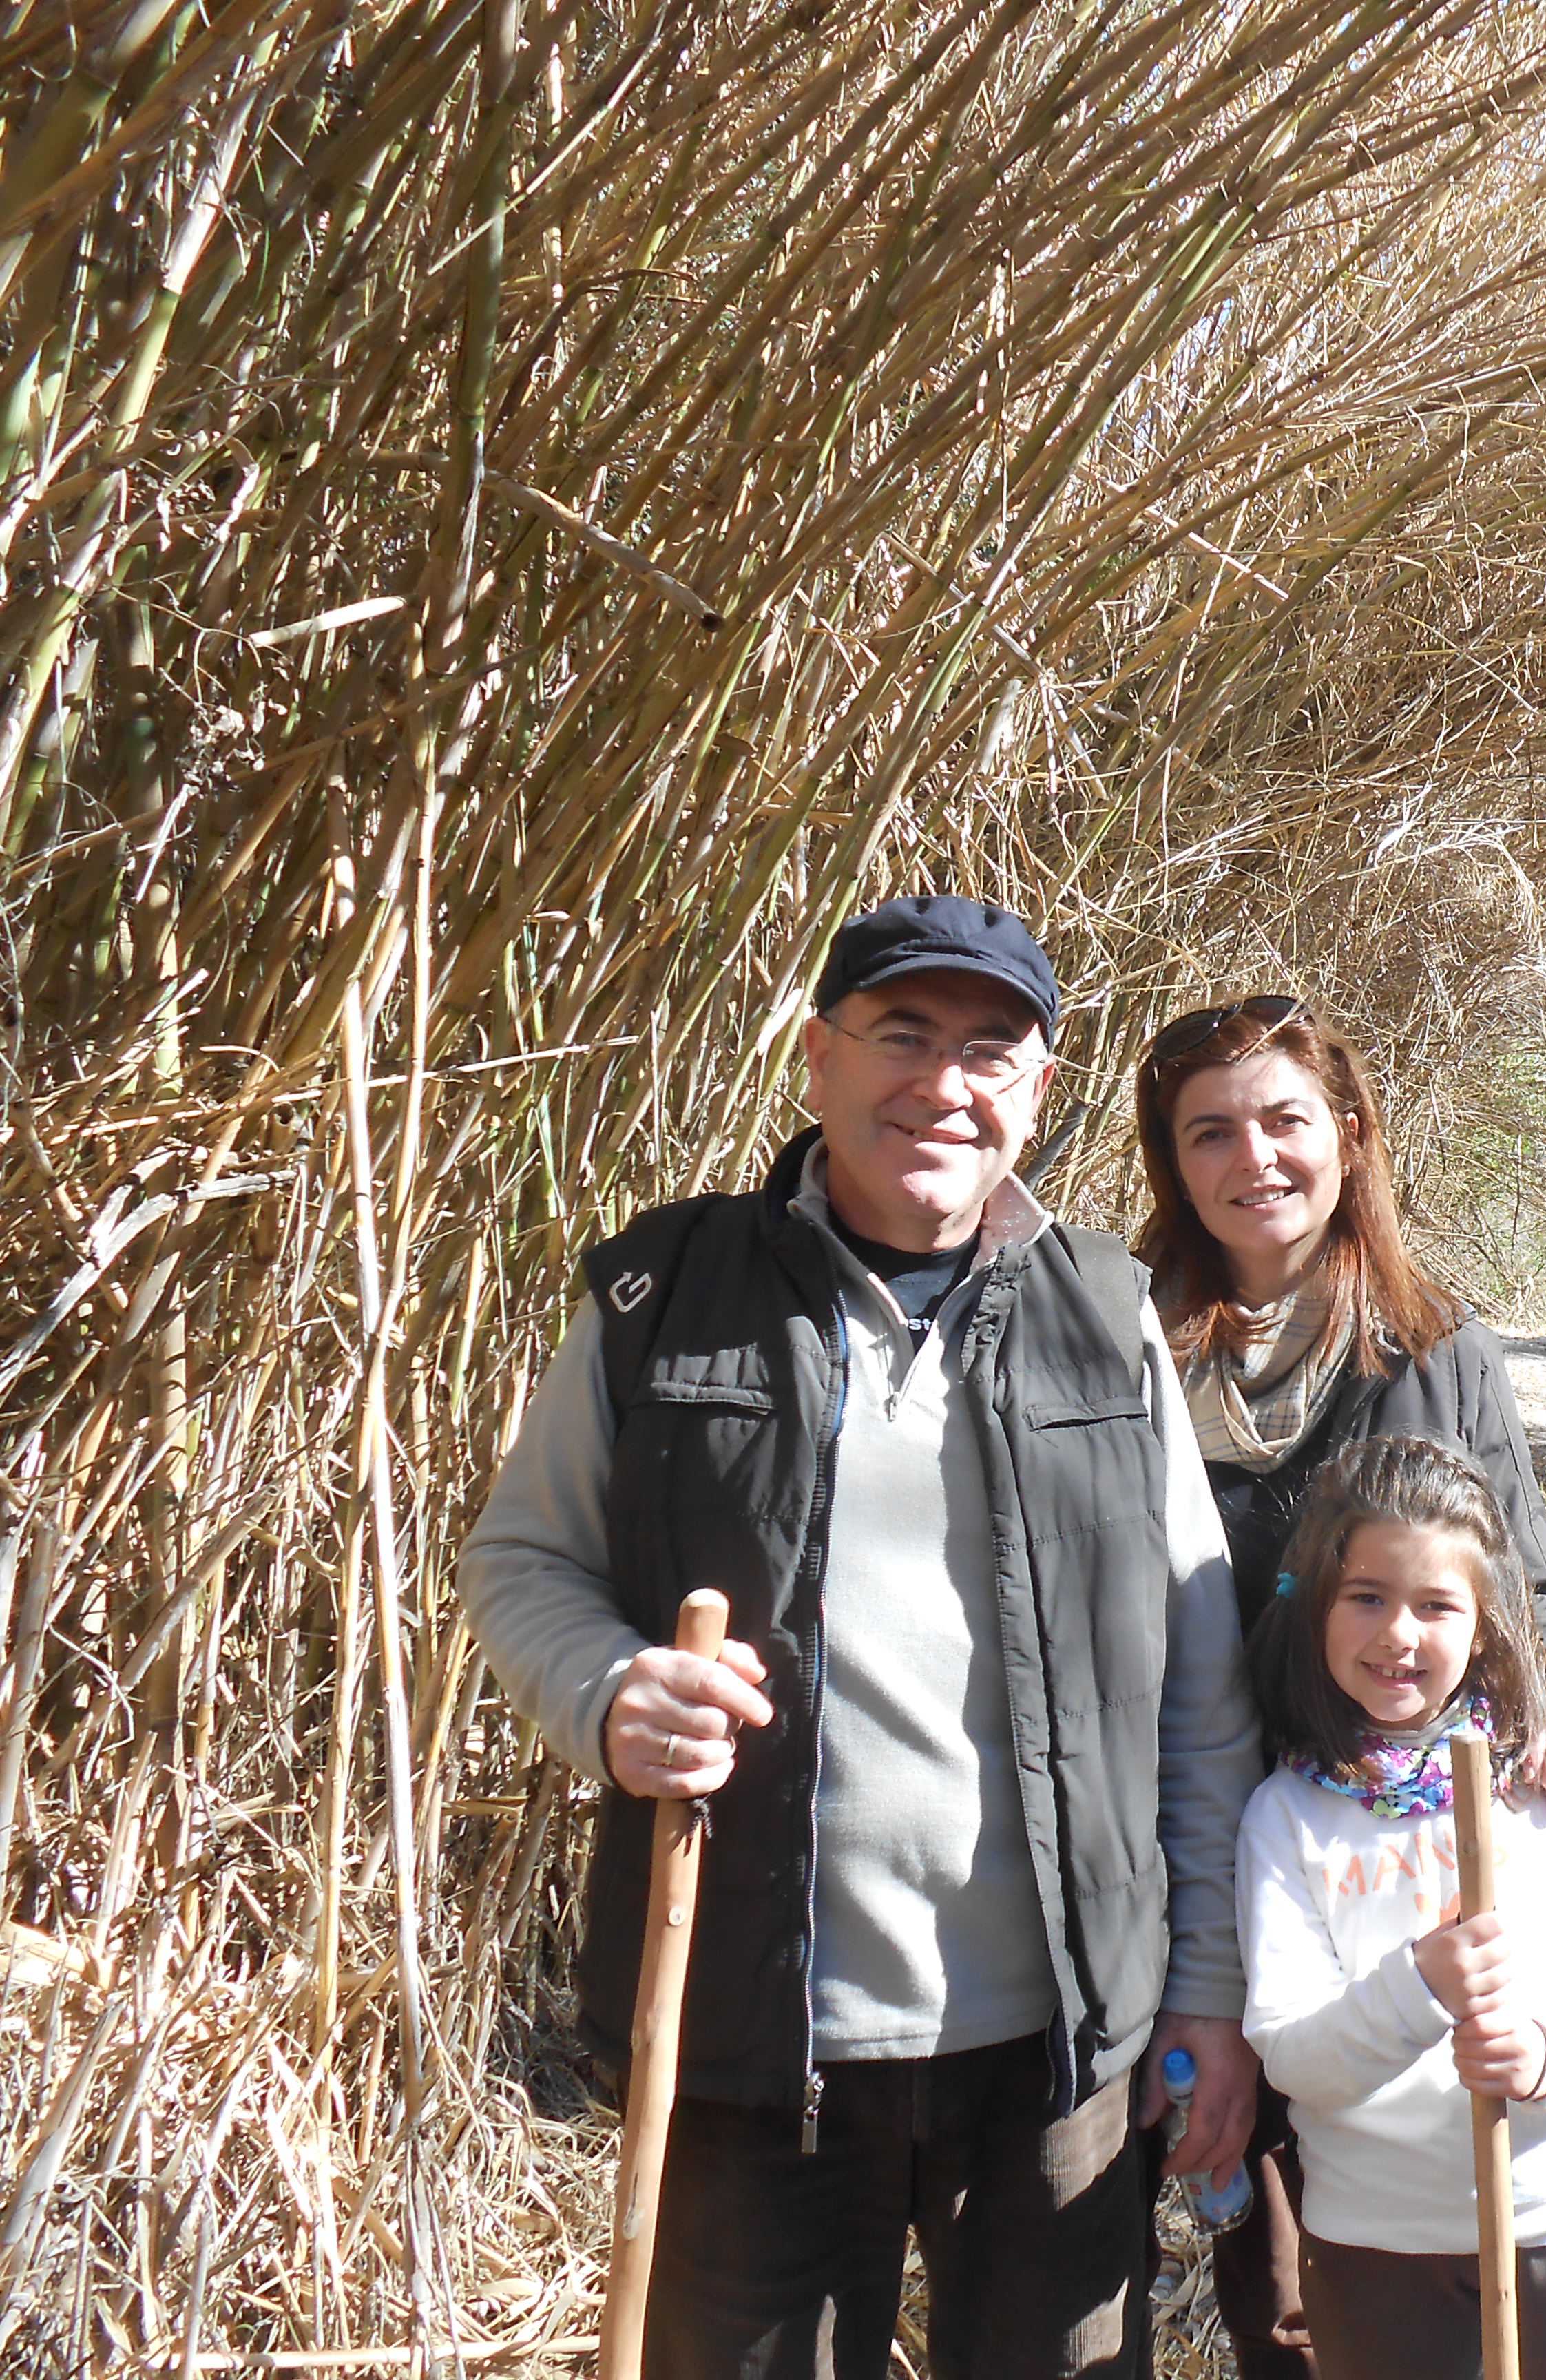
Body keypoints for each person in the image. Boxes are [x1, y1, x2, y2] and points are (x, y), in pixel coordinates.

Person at [459, 895, 1260, 2380]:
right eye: (903, 1036)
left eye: (988, 1051)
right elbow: (524, 1561)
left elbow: (1198, 1683)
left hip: (1060, 2057)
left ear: (1040, 1090)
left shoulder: (1108, 1313)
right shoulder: (658, 1296)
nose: (943, 1085)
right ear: (817, 1057)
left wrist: (1207, 1985)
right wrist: (609, 1690)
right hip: (752, 2039)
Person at [1134, 995, 1546, 2377]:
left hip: (1422, 1839)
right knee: (1292, 2279)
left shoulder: (1439, 1346)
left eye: (1288, 1121)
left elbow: (1529, 1579)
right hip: (1227, 1845)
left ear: (1351, 1139)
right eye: (1212, 1133)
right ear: (1171, 1162)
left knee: (1470, 2230)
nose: (1258, 1160)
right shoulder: (1119, 1356)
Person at [1238, 1437, 1546, 2380]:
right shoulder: (1288, 1818)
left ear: (1485, 1626)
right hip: (1376, 2241)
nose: (1399, 1634)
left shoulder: (1545, 1780)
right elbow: (1292, 2051)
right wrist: (1419, 1987)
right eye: (1367, 1598)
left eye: (1436, 1605)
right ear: (1315, 1608)